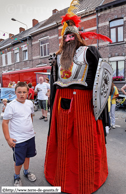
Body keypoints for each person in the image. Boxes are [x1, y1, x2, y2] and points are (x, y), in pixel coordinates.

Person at [44, 1, 112, 194]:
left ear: (78, 37)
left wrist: (99, 108)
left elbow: (102, 79)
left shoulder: (89, 52)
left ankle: (85, 178)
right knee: (63, 139)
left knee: (84, 140)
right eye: (66, 36)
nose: (69, 38)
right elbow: (54, 82)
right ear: (63, 38)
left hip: (84, 102)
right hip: (61, 102)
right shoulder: (57, 57)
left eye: (72, 35)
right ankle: (61, 175)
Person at [2, 82, 37, 186]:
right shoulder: (11, 106)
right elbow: (5, 122)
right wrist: (8, 139)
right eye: (19, 92)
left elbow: (30, 116)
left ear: (28, 93)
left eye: (24, 92)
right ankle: (16, 176)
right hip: (18, 140)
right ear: (15, 92)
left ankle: (26, 172)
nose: (22, 94)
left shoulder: (30, 103)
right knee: (19, 160)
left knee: (27, 156)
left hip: (30, 137)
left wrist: (30, 128)